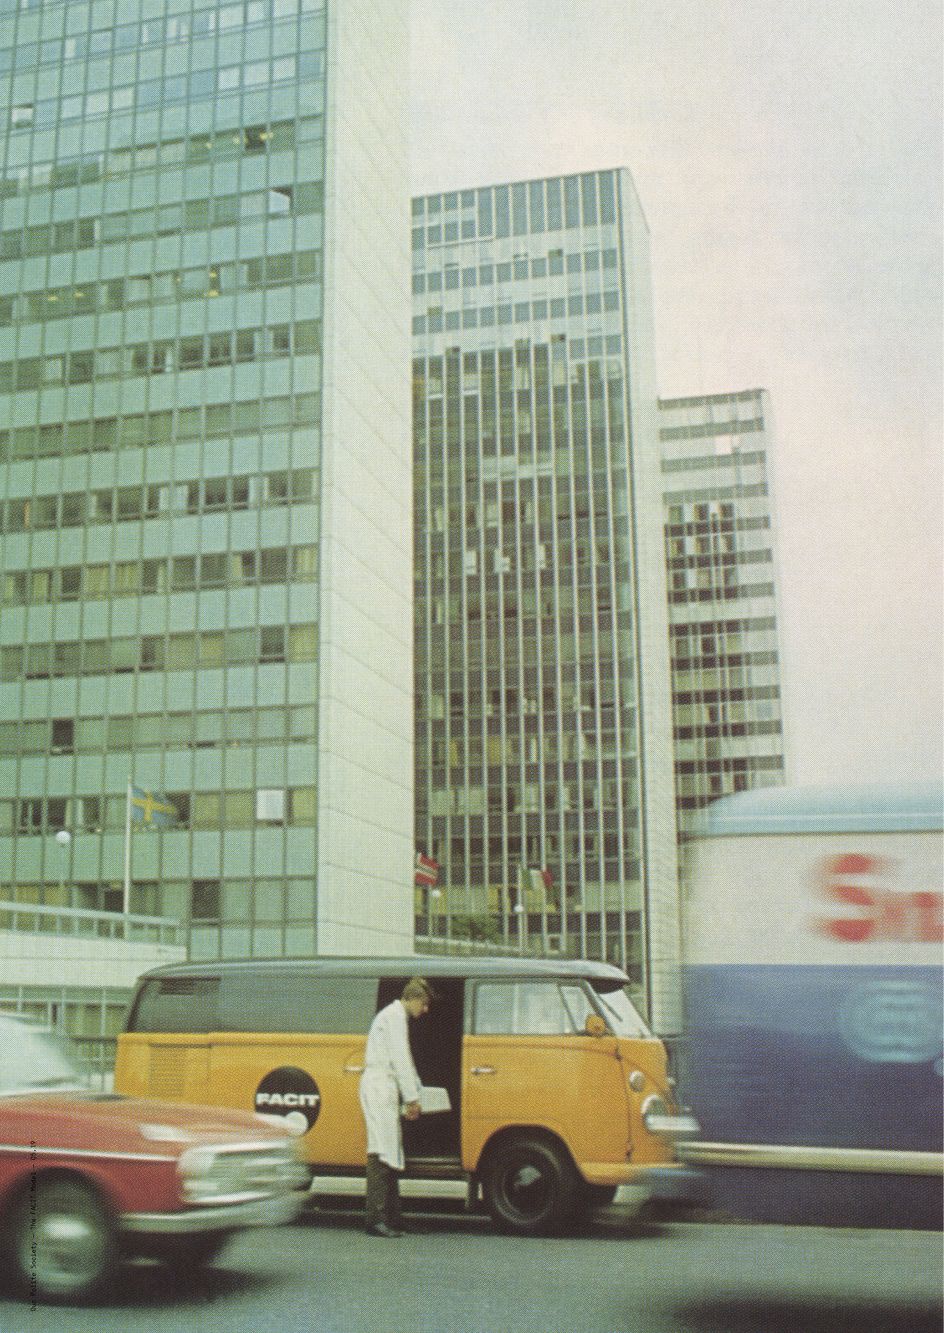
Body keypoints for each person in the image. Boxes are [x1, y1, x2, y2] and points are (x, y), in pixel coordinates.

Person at [359, 977, 433, 1237]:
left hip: (385, 1087)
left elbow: (405, 1060)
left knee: (391, 1151)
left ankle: (392, 1217)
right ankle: (375, 1219)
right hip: (379, 1086)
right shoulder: (394, 1017)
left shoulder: (395, 1016)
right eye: (423, 1004)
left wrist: (415, 1090)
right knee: (380, 1150)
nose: (425, 1010)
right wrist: (412, 1098)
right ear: (412, 999)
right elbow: (401, 1059)